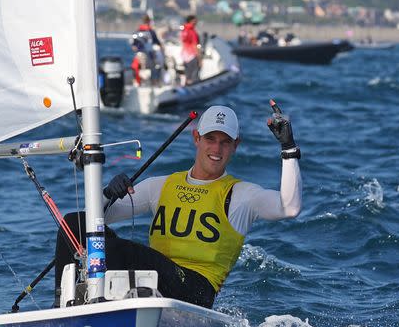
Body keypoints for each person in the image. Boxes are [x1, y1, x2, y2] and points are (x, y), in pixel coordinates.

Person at [54, 101, 302, 309]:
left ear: (235, 145)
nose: (216, 148)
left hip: (197, 290)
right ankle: (62, 306)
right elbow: (96, 219)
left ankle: (105, 312)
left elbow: (289, 208)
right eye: (210, 139)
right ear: (196, 138)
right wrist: (108, 192)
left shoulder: (242, 195)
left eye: (225, 142)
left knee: (117, 250)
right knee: (74, 223)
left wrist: (288, 148)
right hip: (156, 281)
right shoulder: (161, 186)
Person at [180, 15, 201, 85]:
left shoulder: (184, 30)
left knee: (187, 75)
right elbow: (195, 45)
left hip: (185, 56)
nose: (197, 22)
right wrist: (199, 58)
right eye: (195, 20)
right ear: (192, 21)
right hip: (192, 55)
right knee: (194, 76)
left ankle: (186, 88)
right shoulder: (192, 32)